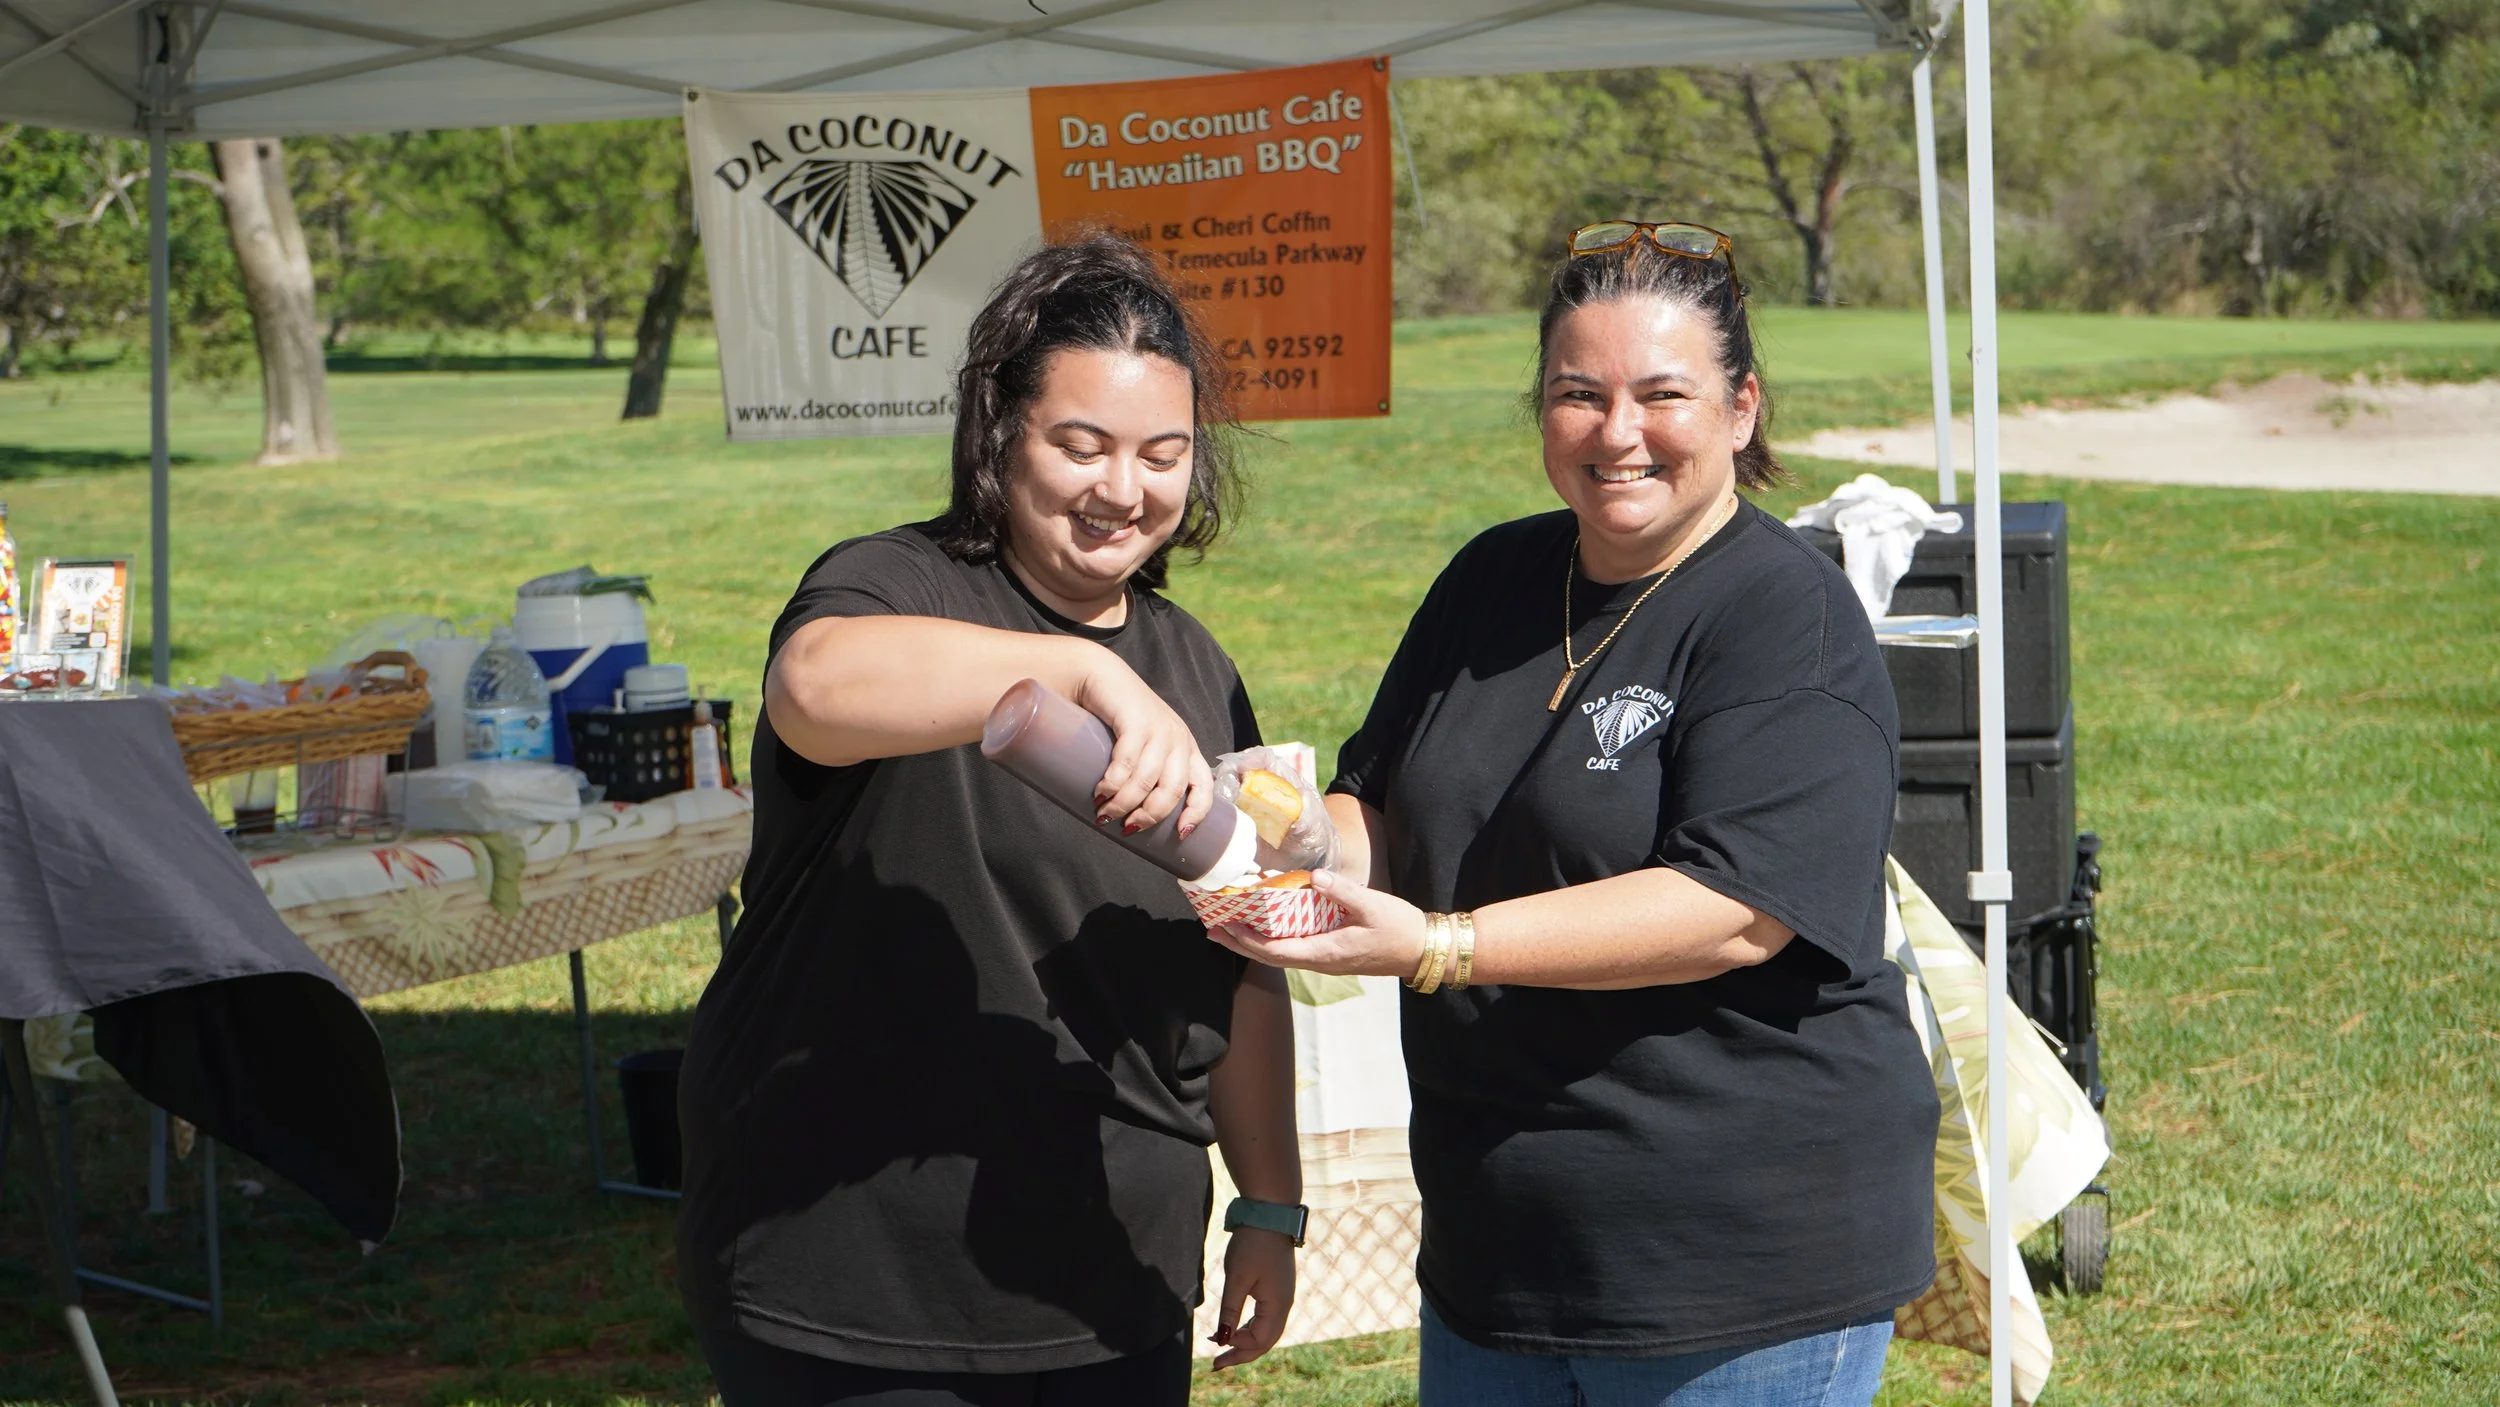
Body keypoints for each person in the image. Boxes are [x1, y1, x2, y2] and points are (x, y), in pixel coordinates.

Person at [1209, 222, 1941, 1406]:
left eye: (1662, 394)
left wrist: (1440, 945)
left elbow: (1732, 910)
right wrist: (1303, 837)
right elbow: (1384, 807)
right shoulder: (1492, 578)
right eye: (1577, 394)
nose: (1616, 432)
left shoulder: (1783, 616)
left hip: (1730, 1264)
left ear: (1742, 408)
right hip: (1497, 1248)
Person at [679, 235, 1301, 1407]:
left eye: (1162, 454)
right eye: (1081, 444)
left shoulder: (1195, 667)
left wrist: (1270, 1201)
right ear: (1001, 431)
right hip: (859, 1280)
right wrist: (1075, 672)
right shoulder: (894, 584)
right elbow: (813, 690)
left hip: (1108, 1270)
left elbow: (1244, 950)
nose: (1122, 489)